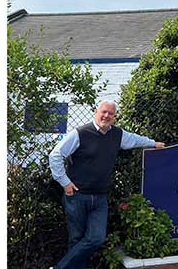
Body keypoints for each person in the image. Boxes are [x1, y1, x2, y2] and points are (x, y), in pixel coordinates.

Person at [48, 100, 164, 269]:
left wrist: (153, 143)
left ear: (114, 117)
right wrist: (65, 183)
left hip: (100, 198)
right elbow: (56, 155)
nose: (106, 115)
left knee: (96, 238)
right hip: (77, 196)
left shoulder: (118, 135)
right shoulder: (80, 133)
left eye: (110, 113)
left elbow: (135, 140)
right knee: (76, 239)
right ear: (96, 112)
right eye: (104, 112)